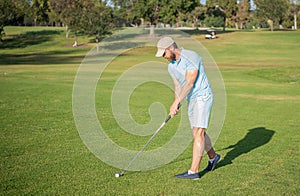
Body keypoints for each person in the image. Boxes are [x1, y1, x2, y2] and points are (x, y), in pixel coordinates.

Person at [155, 37, 221, 180]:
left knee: (199, 132)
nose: (164, 57)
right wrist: (175, 103)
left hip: (202, 96)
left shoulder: (191, 56)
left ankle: (193, 172)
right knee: (197, 133)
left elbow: (190, 82)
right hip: (191, 99)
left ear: (171, 48)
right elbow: (178, 86)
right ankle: (213, 157)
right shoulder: (171, 66)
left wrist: (177, 101)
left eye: (164, 53)